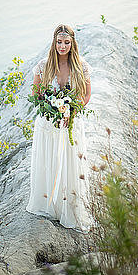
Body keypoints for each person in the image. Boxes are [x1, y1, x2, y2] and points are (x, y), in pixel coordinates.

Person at [26, 24, 92, 232]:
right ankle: (50, 205)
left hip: (71, 123)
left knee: (70, 162)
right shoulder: (43, 66)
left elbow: (86, 95)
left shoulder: (81, 66)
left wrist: (71, 110)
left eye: (66, 42)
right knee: (49, 161)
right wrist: (53, 107)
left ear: (72, 44)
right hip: (48, 124)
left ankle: (68, 206)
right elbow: (36, 93)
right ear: (54, 43)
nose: (62, 46)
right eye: (59, 42)